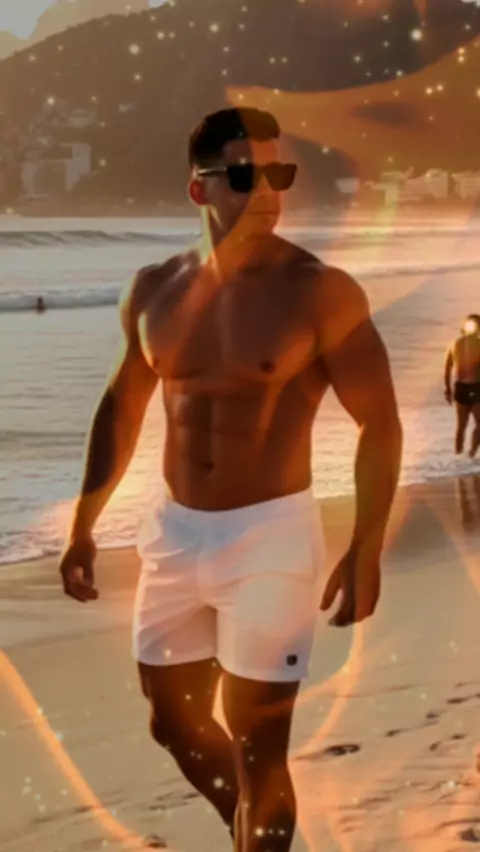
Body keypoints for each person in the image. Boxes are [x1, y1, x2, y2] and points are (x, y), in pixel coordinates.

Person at [58, 108, 402, 851]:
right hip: (174, 532)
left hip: (270, 538)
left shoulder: (318, 290)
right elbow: (120, 411)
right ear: (199, 189)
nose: (267, 191)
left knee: (259, 748)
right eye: (246, 175)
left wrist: (366, 547)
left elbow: (379, 423)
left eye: (279, 173)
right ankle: (250, 826)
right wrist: (83, 526)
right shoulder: (154, 290)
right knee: (174, 724)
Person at [444, 314, 480, 459]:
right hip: (475, 388)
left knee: (461, 426)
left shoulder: (454, 344)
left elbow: (447, 368)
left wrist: (448, 389)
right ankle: (471, 455)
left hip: (460, 388)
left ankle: (458, 458)